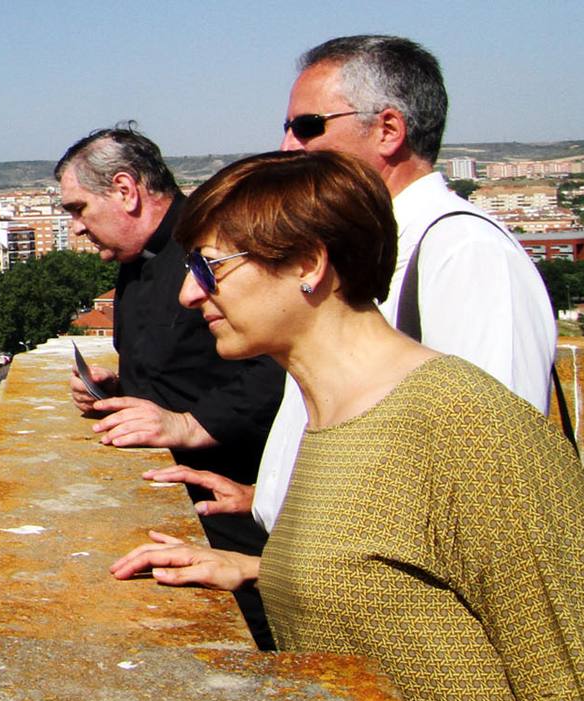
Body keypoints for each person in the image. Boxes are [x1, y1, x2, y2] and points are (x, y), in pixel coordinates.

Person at [114, 150, 584, 701]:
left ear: (307, 263)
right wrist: (260, 570)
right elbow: (397, 588)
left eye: (210, 268)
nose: (186, 295)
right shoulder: (327, 421)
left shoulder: (463, 426)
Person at [144, 35, 556, 533]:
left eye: (307, 126)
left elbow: (492, 484)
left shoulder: (465, 251)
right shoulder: (357, 248)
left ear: (388, 130)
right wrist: (268, 499)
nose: (288, 145)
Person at [55, 127, 284, 649]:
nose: (76, 229)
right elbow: (181, 365)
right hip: (190, 507)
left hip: (237, 508)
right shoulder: (136, 263)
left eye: (78, 208)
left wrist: (191, 424)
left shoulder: (217, 241)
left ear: (125, 190)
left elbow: (282, 362)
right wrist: (120, 387)